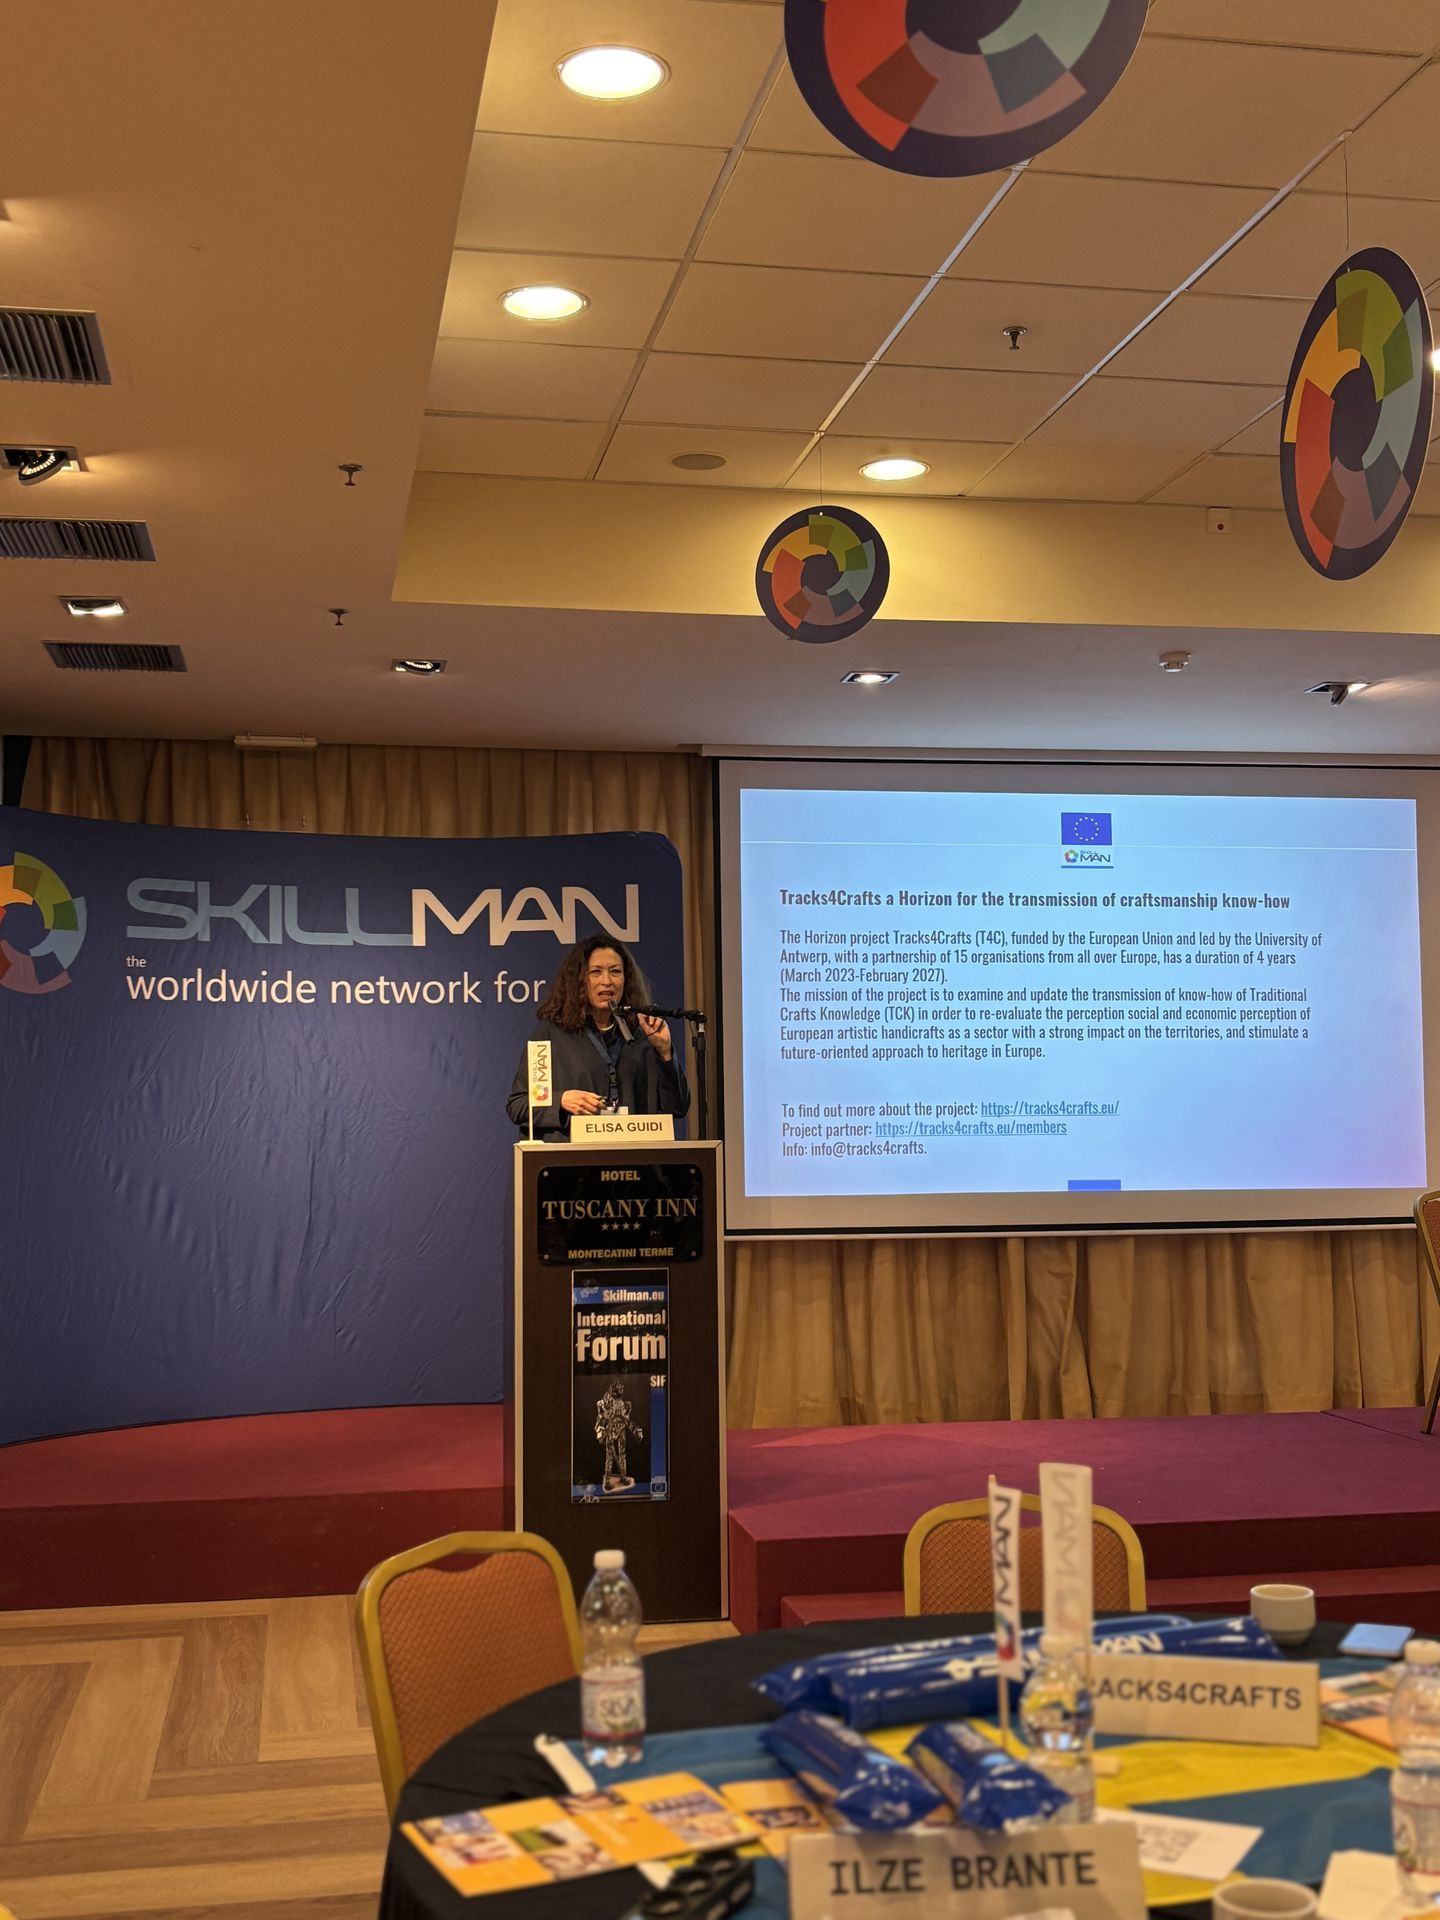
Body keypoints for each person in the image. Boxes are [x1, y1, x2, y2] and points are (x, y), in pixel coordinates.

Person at [506, 935, 690, 1140]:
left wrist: (665, 1052)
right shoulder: (552, 1033)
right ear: (579, 980)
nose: (606, 981)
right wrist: (561, 1101)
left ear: (626, 979)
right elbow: (518, 1106)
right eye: (596, 972)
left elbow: (678, 1107)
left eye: (615, 971)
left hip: (633, 1156)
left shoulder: (643, 1034)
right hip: (574, 1157)